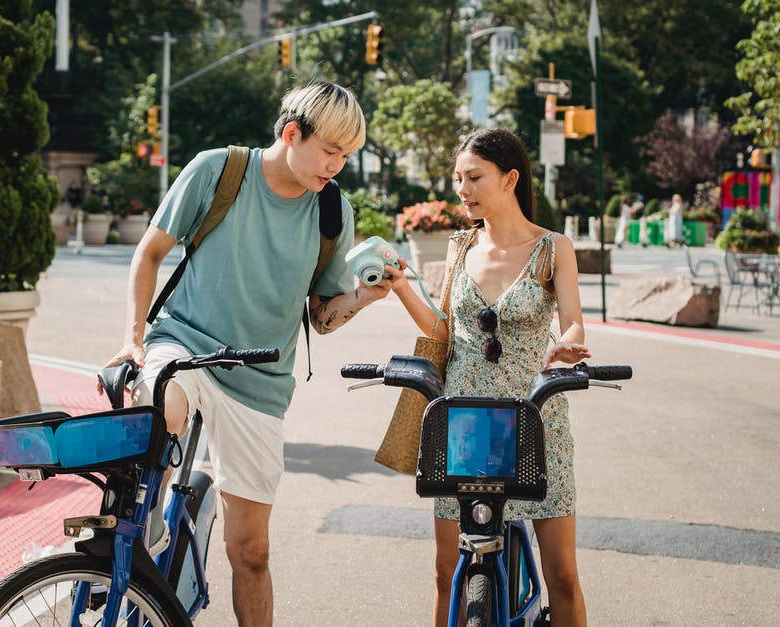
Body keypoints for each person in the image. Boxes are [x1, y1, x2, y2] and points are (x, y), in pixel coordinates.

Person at [99, 81, 391, 627]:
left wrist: (362, 297)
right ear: (291, 133)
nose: (337, 166)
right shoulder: (219, 170)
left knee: (251, 552)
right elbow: (150, 252)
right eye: (330, 151)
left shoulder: (333, 211)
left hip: (260, 379)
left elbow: (321, 318)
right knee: (159, 400)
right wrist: (132, 341)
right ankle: (136, 529)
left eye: (346, 156)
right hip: (182, 342)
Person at [387, 127, 592, 627]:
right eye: (458, 177)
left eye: (474, 177)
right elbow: (444, 330)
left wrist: (568, 343)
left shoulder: (553, 248)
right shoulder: (459, 247)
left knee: (562, 574)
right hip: (461, 425)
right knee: (446, 571)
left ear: (510, 179)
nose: (463, 189)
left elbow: (574, 320)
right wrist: (399, 287)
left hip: (534, 421)